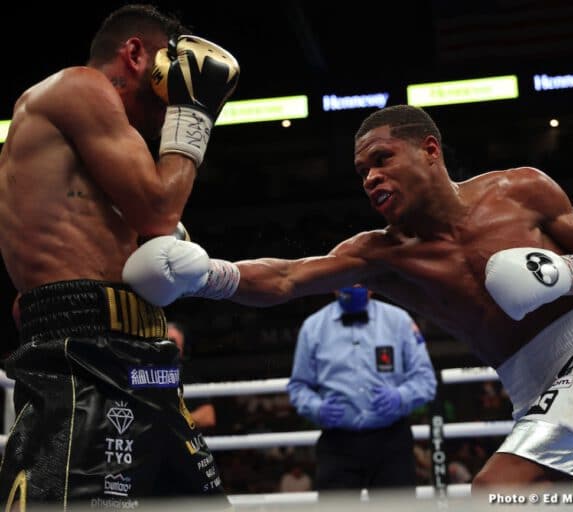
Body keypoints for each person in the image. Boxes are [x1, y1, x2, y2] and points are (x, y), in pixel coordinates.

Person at [124, 104, 573, 495]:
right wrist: (205, 275)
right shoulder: (383, 254)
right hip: (534, 390)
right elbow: (288, 278)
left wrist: (565, 273)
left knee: (496, 491)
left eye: (383, 159)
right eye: (362, 170)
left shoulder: (522, 189)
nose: (370, 177)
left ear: (430, 150)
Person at [0, 4, 239, 508]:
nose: (167, 104)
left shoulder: (107, 151)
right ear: (136, 55)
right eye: (169, 78)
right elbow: (159, 206)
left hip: (149, 355)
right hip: (84, 359)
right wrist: (191, 114)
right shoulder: (79, 88)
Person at [287, 286, 436, 494]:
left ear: (372, 286)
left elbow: (426, 380)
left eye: (358, 280)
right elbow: (298, 386)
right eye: (345, 279)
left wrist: (401, 397)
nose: (352, 285)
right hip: (337, 444)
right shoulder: (313, 327)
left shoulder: (399, 321)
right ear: (333, 286)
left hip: (391, 442)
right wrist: (316, 408)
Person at [168, 321, 217, 430]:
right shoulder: (140, 372)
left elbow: (208, 416)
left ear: (181, 349)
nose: (169, 348)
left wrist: (172, 420)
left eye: (173, 342)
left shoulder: (188, 376)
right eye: (164, 342)